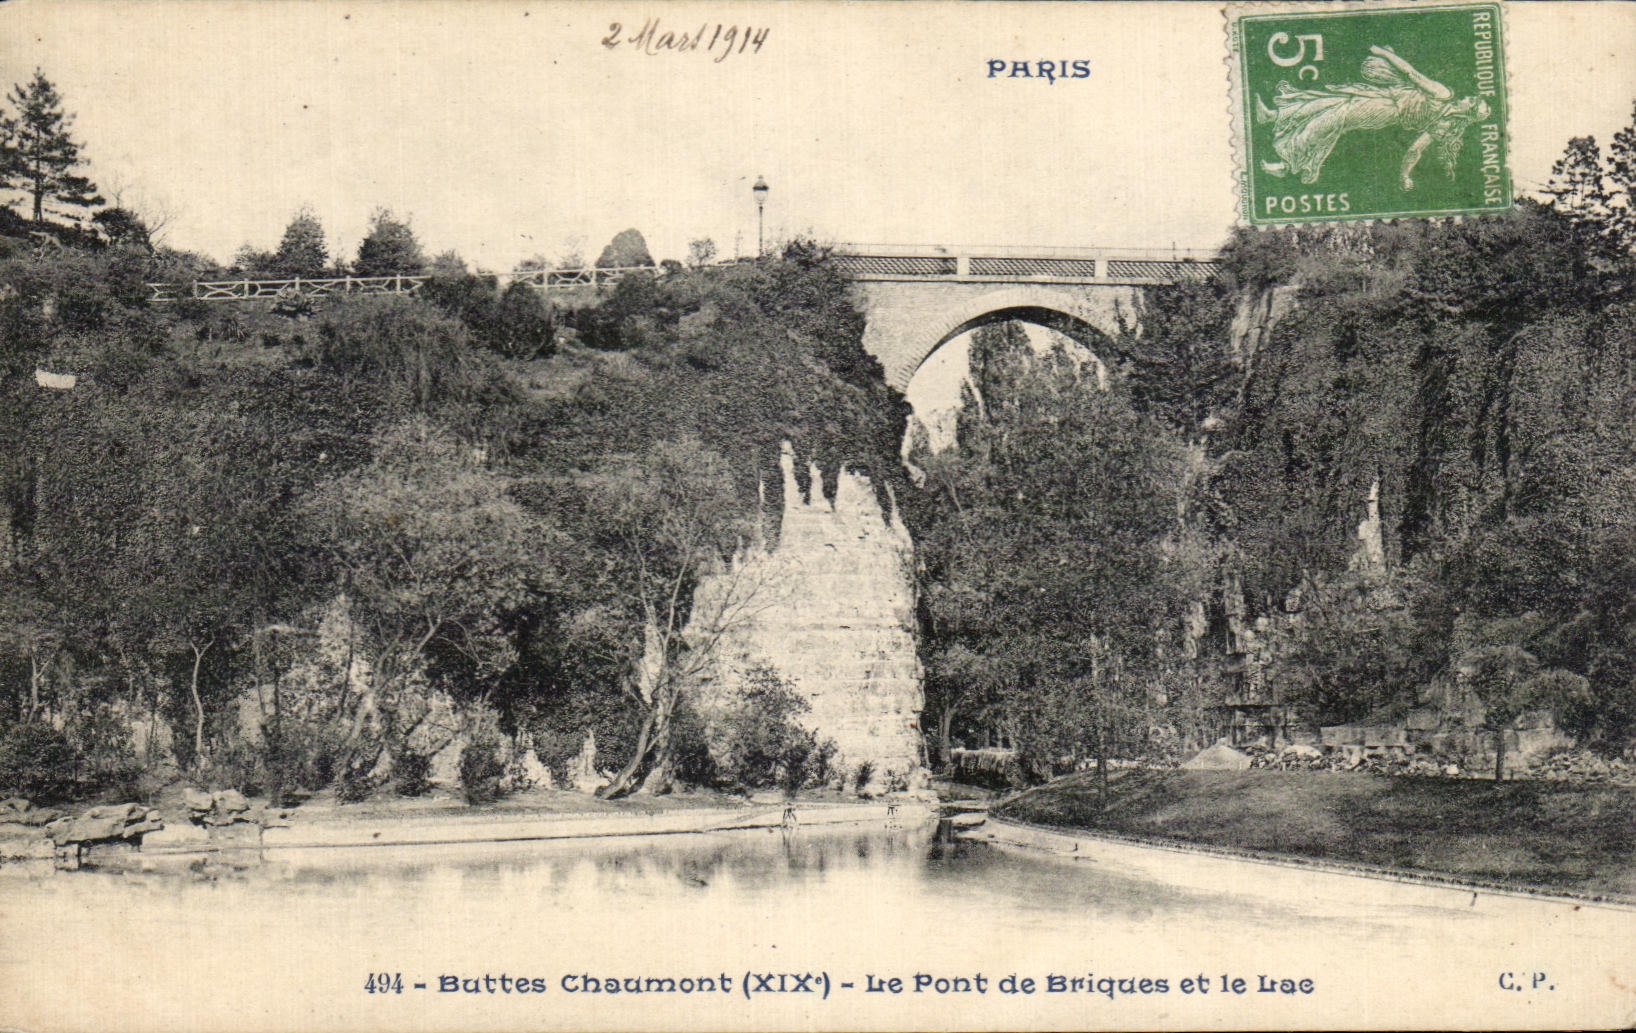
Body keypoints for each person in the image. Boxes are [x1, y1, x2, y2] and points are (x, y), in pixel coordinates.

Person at [1256, 44, 1491, 190]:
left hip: (1386, 110)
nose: (1468, 97)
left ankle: (1287, 164)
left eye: (1471, 100)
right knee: (1334, 100)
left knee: (1336, 116)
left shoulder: (1443, 95)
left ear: (1468, 110)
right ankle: (1274, 115)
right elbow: (1414, 151)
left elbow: (1412, 73)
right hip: (1386, 96)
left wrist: (1384, 54)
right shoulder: (1445, 124)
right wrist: (1405, 176)